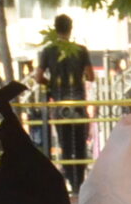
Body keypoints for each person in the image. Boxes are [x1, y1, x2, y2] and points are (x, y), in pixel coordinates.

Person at [35, 13, 93, 188]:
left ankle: (70, 180)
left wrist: (51, 84)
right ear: (70, 28)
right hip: (78, 103)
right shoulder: (81, 50)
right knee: (80, 143)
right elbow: (91, 76)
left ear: (55, 28)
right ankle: (79, 182)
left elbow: (38, 77)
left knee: (66, 144)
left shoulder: (48, 51)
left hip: (60, 104)